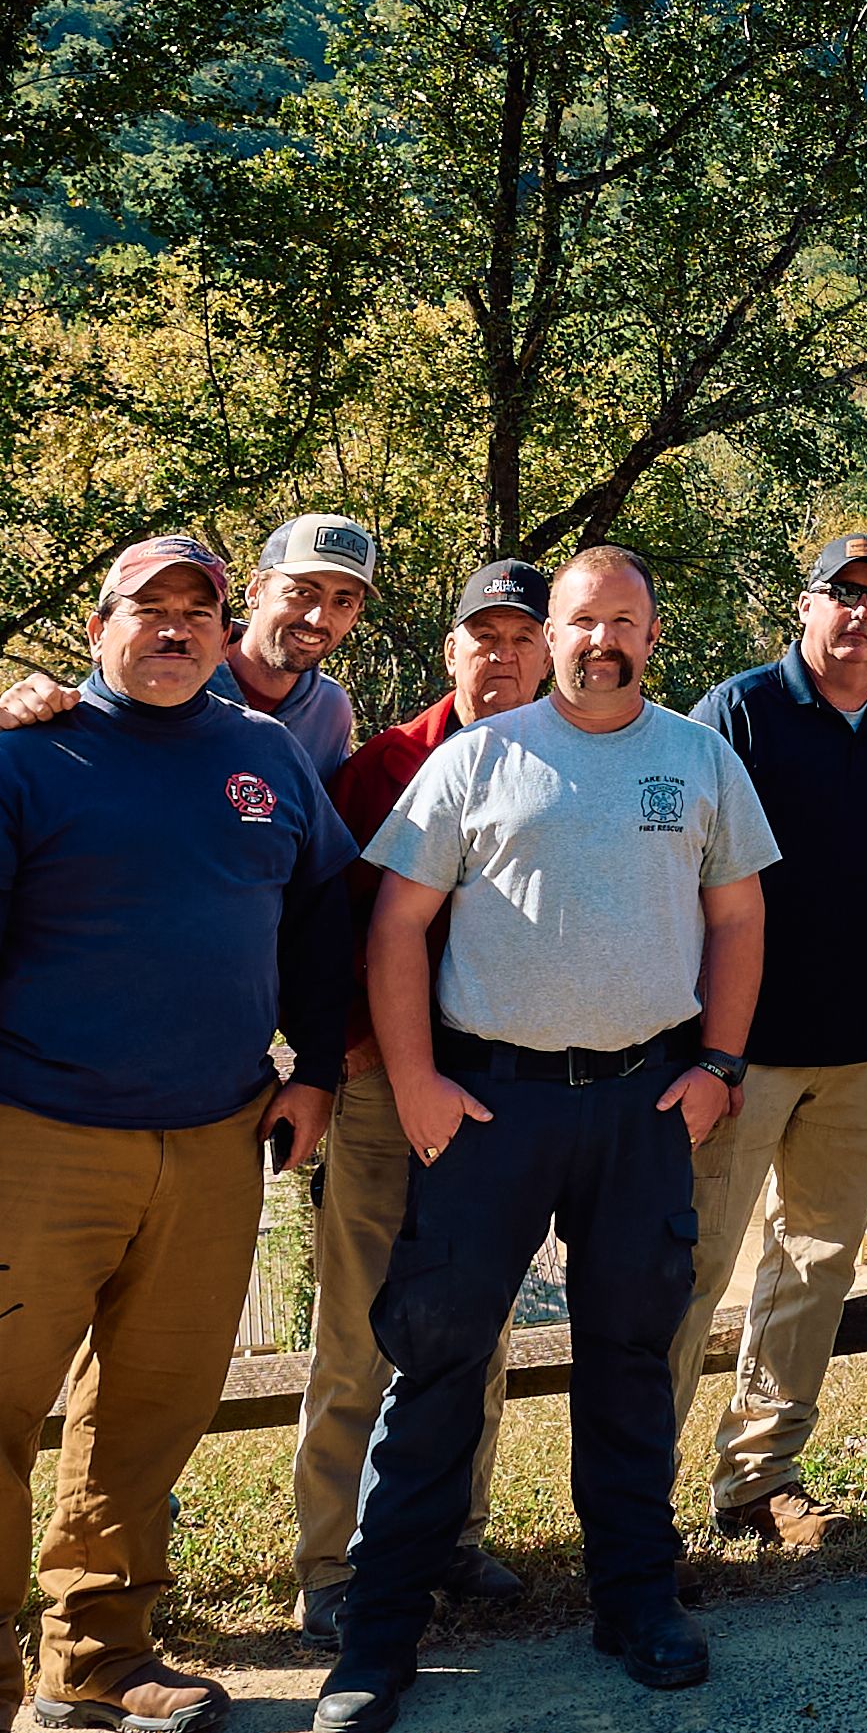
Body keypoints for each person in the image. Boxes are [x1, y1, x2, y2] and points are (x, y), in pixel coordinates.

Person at [0, 535, 361, 1733]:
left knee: (153, 1408)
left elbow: (326, 921)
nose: (181, 628)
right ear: (101, 626)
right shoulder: (19, 767)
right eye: (155, 608)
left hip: (212, 1142)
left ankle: (99, 1650)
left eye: (202, 611)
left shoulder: (265, 765)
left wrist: (314, 1068)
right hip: (29, 1140)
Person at [314, 550, 774, 1733]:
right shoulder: (477, 760)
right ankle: (379, 1633)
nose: (601, 639)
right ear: (552, 635)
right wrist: (413, 1080)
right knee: (438, 1362)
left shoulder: (698, 756)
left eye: (624, 619)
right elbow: (399, 927)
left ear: (653, 635)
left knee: (629, 1360)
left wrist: (719, 1067)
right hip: (487, 1106)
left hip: (641, 1105)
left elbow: (738, 915)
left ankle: (635, 1601)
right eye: (582, 620)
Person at [286, 559, 549, 1648]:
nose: (501, 655)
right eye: (480, 636)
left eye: (520, 638)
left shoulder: (571, 766)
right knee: (358, 1324)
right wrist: (355, 1055)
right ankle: (332, 1560)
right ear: (451, 651)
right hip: (386, 1086)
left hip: (504, 1092)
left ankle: (449, 1529)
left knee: (478, 1326)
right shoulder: (386, 764)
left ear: (551, 651)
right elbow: (324, 922)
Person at [685, 533, 867, 1553]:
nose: (860, 616)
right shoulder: (740, 712)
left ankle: (759, 1477)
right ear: (806, 604)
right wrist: (704, 1039)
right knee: (692, 1265)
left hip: (853, 1041)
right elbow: (686, 877)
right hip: (737, 1049)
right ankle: (630, 1508)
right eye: (843, 594)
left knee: (817, 1262)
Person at [0, 512, 380, 773]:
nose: (317, 618)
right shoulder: (170, 670)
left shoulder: (330, 709)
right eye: (301, 593)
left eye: (342, 601)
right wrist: (20, 720)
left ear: (356, 616)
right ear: (255, 590)